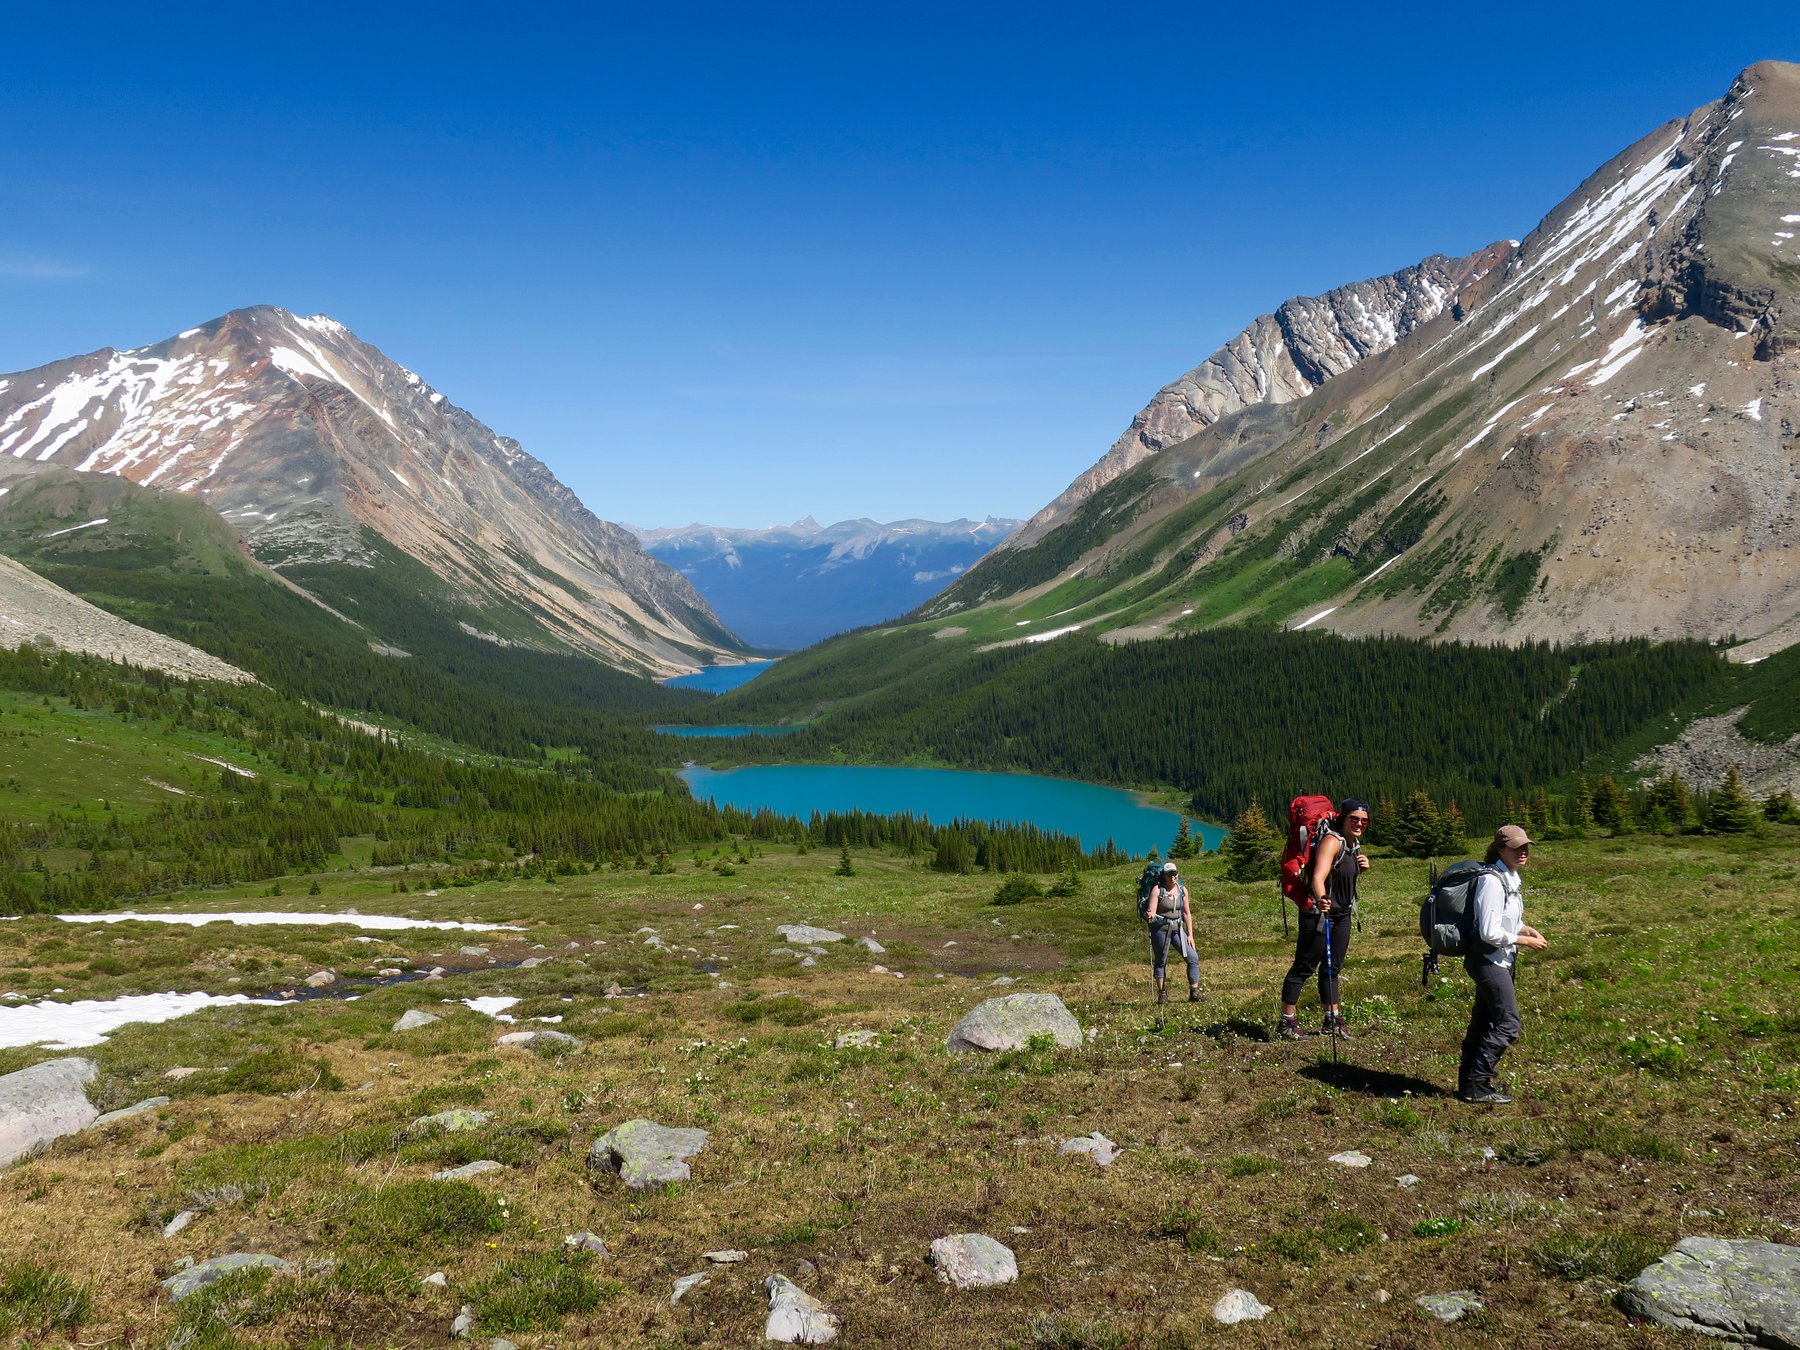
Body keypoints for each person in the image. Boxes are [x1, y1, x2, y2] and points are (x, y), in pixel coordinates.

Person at [1459, 824, 1548, 1104]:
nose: (1522, 852)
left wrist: (1526, 929)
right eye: (1516, 848)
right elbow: (1489, 931)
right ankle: (1477, 1083)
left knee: (1483, 1022)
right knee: (1508, 1024)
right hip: (1488, 960)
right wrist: (1524, 942)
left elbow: (1505, 919)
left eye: (1525, 847)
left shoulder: (1509, 877)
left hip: (1497, 958)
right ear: (1500, 849)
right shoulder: (1492, 881)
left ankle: (1469, 1083)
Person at [1278, 799, 1371, 1039]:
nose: (1359, 823)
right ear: (1344, 818)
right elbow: (1319, 876)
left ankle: (1333, 1020)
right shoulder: (1332, 841)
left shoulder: (1353, 845)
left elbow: (1341, 876)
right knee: (1304, 967)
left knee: (1332, 968)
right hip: (1320, 914)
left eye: (1364, 820)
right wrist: (1321, 899)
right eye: (1354, 819)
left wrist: (1361, 867)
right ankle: (1287, 1023)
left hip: (1342, 915)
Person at [1144, 860, 1198, 1005]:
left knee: (1193, 958)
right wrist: (1150, 915)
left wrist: (1190, 935)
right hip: (1161, 930)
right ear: (1164, 875)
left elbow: (1186, 913)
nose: (1172, 877)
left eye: (1174, 874)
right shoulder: (1157, 890)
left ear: (1177, 874)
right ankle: (1162, 994)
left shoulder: (1182, 890)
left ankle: (1194, 992)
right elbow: (1152, 910)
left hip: (1178, 930)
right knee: (1161, 961)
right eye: (1169, 874)